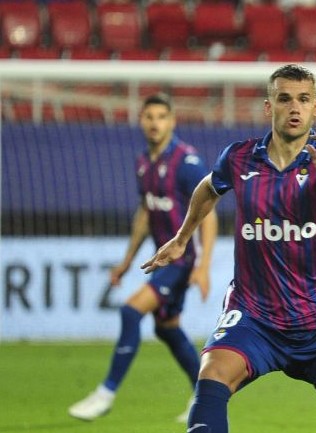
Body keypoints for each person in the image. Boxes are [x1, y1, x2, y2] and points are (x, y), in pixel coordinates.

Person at [141, 64, 316, 433]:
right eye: (284, 99)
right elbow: (208, 188)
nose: (294, 108)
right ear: (269, 106)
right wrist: (183, 238)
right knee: (212, 375)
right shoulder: (239, 157)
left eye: (304, 99)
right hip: (253, 318)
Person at [68, 93, 218, 422]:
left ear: (172, 121)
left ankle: (106, 393)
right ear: (140, 120)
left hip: (181, 261)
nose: (155, 123)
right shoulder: (143, 162)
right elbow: (145, 214)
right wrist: (126, 261)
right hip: (161, 259)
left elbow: (209, 213)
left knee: (130, 311)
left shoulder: (187, 162)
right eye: (149, 117)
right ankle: (205, 395)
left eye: (161, 117)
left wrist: (204, 266)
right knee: (166, 328)